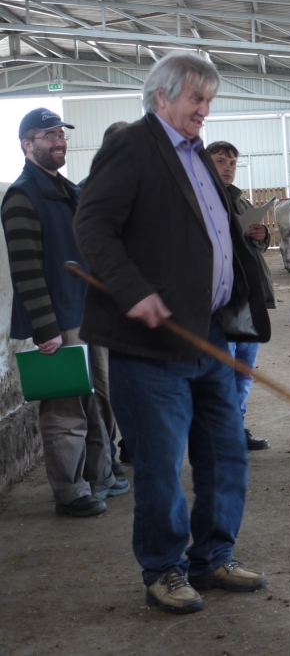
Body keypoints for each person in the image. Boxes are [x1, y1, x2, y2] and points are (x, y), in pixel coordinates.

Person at [74, 52, 271, 614]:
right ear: (162, 97)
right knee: (161, 462)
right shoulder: (133, 145)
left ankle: (213, 555)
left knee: (225, 449)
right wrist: (133, 290)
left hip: (209, 333)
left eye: (208, 100)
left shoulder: (196, 155)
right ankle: (164, 567)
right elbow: (92, 225)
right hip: (152, 345)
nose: (204, 110)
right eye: (196, 99)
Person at [1, 108, 129, 517]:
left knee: (98, 399)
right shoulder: (22, 196)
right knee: (63, 407)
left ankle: (100, 474)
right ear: (27, 144)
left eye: (61, 133)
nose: (59, 140)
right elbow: (25, 269)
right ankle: (70, 490)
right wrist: (45, 328)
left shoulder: (68, 190)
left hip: (88, 314)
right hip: (59, 319)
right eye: (48, 134)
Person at [207, 140, 273, 452]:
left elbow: (254, 248)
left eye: (232, 163)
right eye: (220, 161)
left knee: (243, 370)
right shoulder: (197, 201)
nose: (227, 168)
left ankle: (236, 428)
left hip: (248, 298)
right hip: (220, 301)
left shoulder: (241, 202)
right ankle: (221, 432)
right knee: (223, 369)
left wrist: (262, 236)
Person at [79, 119, 131, 475]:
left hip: (134, 304)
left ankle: (130, 444)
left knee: (131, 381)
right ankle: (106, 457)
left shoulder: (142, 192)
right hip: (102, 304)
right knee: (104, 387)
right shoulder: (83, 193)